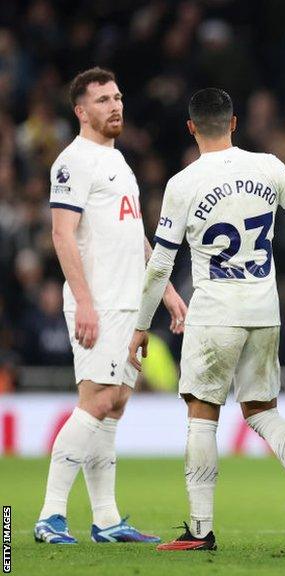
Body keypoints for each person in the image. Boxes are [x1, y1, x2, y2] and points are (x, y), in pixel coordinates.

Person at [128, 88, 285, 551]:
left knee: (203, 414)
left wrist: (141, 325)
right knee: (263, 411)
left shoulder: (183, 184)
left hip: (215, 313)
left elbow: (160, 265)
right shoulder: (268, 167)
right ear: (234, 122)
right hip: (265, 312)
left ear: (191, 128)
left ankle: (200, 530)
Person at [36, 67, 187, 545]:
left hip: (128, 302)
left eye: (118, 97)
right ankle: (49, 516)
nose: (115, 106)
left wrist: (163, 291)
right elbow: (62, 235)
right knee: (96, 400)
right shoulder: (72, 162)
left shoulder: (119, 162)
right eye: (103, 100)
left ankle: (106, 519)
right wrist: (83, 301)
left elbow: (134, 236)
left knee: (116, 404)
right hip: (98, 301)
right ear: (81, 111)